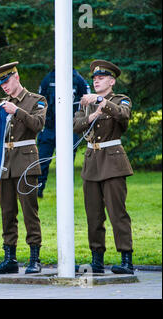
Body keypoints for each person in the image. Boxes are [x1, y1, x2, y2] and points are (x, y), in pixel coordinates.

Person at [73, 59, 134, 274]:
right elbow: (76, 125)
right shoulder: (86, 103)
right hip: (92, 161)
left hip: (113, 161)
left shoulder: (121, 100)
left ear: (112, 81)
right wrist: (93, 112)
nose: (96, 81)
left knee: (118, 213)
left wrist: (101, 101)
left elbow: (123, 116)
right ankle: (97, 260)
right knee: (94, 214)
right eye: (94, 79)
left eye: (101, 78)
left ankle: (126, 259)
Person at [0, 61, 47, 275]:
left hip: (26, 163)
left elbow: (38, 125)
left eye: (6, 81)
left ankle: (35, 258)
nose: (3, 86)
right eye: (1, 84)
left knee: (30, 212)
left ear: (17, 78)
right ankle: (9, 258)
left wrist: (17, 110)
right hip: (6, 164)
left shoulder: (36, 100)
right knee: (7, 212)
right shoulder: (2, 103)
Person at [36, 68, 91, 198]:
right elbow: (39, 101)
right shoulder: (48, 79)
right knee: (42, 161)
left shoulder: (78, 80)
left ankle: (65, 194)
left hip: (69, 129)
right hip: (49, 128)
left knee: (66, 163)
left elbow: (87, 102)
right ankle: (37, 191)